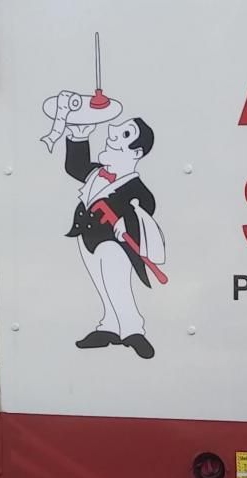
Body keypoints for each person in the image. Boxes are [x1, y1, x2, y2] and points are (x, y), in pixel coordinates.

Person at [47, 90, 165, 360]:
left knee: (117, 285)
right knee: (101, 285)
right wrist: (80, 134)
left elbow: (147, 207)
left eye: (124, 134)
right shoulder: (99, 172)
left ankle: (134, 330)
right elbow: (75, 166)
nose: (113, 133)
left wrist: (128, 222)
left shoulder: (135, 186)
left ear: (135, 151)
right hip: (86, 238)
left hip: (114, 244)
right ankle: (110, 326)